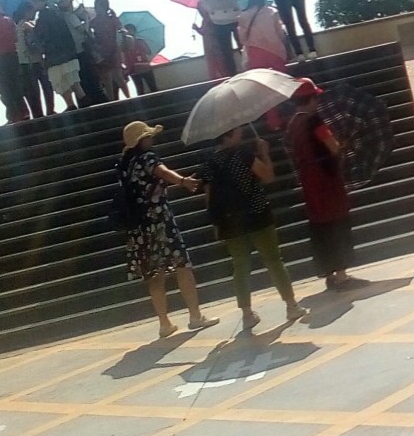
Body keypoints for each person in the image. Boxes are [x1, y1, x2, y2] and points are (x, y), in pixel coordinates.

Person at [198, 126, 308, 329]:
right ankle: (291, 305)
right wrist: (264, 153)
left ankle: (247, 314)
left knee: (240, 265)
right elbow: (268, 176)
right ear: (228, 135)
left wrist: (216, 221)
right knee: (273, 260)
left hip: (229, 220)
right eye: (236, 130)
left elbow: (209, 197)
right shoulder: (244, 154)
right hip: (256, 212)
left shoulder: (209, 163)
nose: (241, 133)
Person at [118, 121, 218, 339]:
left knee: (155, 274)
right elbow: (162, 172)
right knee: (182, 265)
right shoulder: (147, 157)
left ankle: (164, 323)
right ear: (142, 140)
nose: (151, 139)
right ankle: (195, 315)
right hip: (160, 219)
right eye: (148, 136)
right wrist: (183, 181)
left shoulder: (126, 164)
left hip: (141, 226)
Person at [284, 79, 361, 290]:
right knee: (337, 221)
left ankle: (330, 273)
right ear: (310, 99)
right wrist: (342, 144)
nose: (318, 101)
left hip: (308, 180)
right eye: (316, 97)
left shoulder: (292, 124)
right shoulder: (314, 121)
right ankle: (342, 275)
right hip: (326, 179)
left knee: (321, 225)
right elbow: (333, 147)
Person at [29, 0, 85, 112]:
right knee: (74, 81)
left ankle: (71, 105)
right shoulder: (56, 10)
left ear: (37, 0)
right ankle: (85, 104)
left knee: (59, 82)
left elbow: (41, 35)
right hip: (68, 51)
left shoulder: (44, 16)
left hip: (55, 55)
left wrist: (31, 30)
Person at [198, 0, 244, 77]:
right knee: (240, 47)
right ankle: (245, 69)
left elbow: (203, 2)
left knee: (228, 50)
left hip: (219, 20)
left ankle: (233, 74)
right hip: (234, 17)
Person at [14, 4, 52, 118]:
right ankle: (50, 110)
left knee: (34, 91)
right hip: (35, 60)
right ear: (26, 12)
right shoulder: (26, 25)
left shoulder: (17, 26)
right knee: (47, 86)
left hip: (24, 62)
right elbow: (35, 41)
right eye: (32, 12)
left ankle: (39, 115)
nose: (34, 14)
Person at [237, 0, 290, 72]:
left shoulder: (243, 15)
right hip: (275, 48)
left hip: (254, 50)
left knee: (260, 74)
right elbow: (280, 32)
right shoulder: (272, 11)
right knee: (280, 74)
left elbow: (242, 38)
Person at [90, 0, 130, 101]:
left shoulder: (112, 19)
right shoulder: (93, 22)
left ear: (105, 7)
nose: (97, 9)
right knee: (106, 79)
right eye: (96, 6)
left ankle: (129, 99)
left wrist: (123, 33)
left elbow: (121, 29)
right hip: (101, 52)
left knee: (119, 77)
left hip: (114, 50)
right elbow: (89, 35)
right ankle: (112, 102)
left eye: (99, 6)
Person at [122, 24, 158, 94]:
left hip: (144, 66)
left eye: (130, 30)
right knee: (140, 90)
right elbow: (123, 58)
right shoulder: (123, 45)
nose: (129, 32)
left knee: (153, 88)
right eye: (127, 30)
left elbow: (148, 52)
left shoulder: (140, 41)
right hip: (133, 69)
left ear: (134, 31)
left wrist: (140, 48)